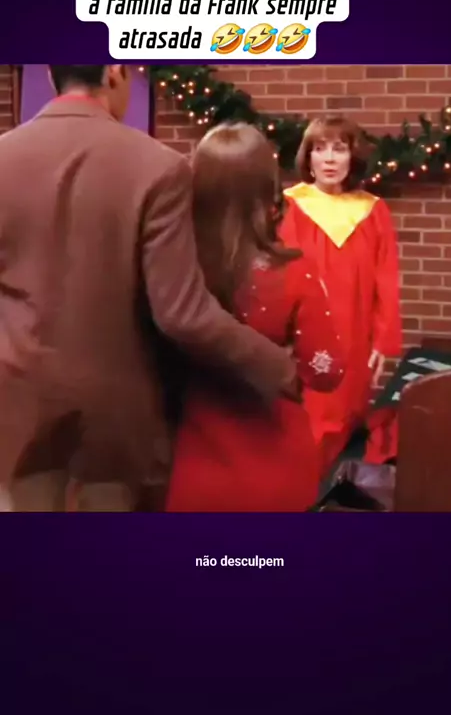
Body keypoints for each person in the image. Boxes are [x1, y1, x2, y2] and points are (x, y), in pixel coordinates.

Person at [0, 65, 300, 512]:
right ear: (114, 73)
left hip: (17, 404)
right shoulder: (157, 165)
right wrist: (279, 366)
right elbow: (182, 314)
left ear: (50, 75)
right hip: (113, 419)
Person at [166, 123, 345, 512]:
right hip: (275, 462)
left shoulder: (173, 268)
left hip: (189, 463)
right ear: (268, 191)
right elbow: (327, 371)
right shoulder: (296, 272)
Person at [279, 116, 402, 480]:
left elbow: (386, 279)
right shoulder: (290, 207)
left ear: (353, 156)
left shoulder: (373, 211)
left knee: (347, 422)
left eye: (339, 149)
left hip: (356, 335)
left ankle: (331, 494)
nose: (330, 159)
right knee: (306, 425)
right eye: (320, 149)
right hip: (305, 337)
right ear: (308, 157)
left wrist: (383, 341)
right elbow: (279, 275)